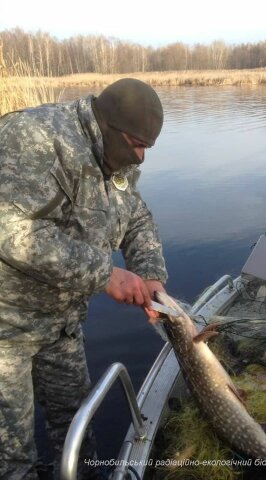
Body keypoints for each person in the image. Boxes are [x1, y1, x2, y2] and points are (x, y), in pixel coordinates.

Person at [0, 78, 168, 479]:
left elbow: (137, 219)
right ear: (106, 125)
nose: (141, 158)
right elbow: (10, 230)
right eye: (136, 144)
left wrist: (150, 275)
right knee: (12, 456)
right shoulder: (35, 137)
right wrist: (104, 273)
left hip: (62, 324)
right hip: (6, 328)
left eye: (148, 147)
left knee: (76, 429)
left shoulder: (119, 159)